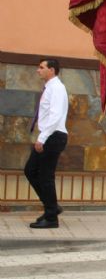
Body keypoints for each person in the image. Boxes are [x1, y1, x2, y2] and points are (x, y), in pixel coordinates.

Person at [26, 58, 68, 229]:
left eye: (41, 67)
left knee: (45, 177)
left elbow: (56, 115)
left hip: (53, 136)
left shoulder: (57, 88)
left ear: (52, 70)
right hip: (50, 134)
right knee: (30, 170)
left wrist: (42, 138)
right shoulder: (50, 87)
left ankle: (51, 218)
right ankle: (52, 207)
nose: (38, 70)